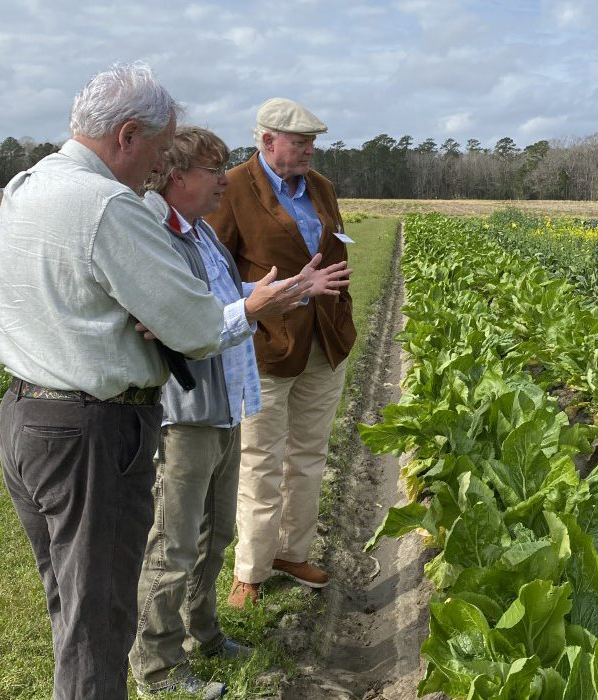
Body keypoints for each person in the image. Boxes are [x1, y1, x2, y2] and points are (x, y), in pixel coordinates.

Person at [0, 63, 225, 700]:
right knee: (99, 620)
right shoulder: (107, 205)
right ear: (125, 135)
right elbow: (198, 325)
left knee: (69, 601)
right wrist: (155, 311)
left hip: (25, 418)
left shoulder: (25, 184)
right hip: (91, 432)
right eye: (158, 148)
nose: (159, 167)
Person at [129, 126, 351, 698]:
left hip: (225, 403)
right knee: (172, 542)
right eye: (212, 172)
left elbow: (224, 306)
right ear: (177, 177)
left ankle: (203, 631)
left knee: (215, 532)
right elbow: (180, 322)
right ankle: (157, 666)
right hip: (186, 411)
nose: (222, 184)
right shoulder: (153, 233)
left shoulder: (197, 230)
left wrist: (289, 291)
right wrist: (254, 305)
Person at [207, 98, 356, 607]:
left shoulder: (322, 188)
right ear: (267, 141)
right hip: (266, 346)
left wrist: (332, 297)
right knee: (261, 459)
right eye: (301, 142)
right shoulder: (231, 189)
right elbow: (212, 274)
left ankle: (293, 552)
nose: (311, 150)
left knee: (310, 454)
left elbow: (334, 251)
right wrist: (296, 287)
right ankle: (250, 569)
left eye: (313, 142)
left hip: (324, 340)